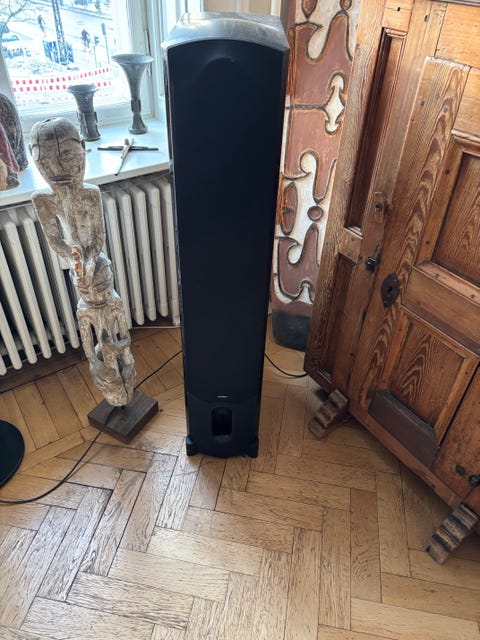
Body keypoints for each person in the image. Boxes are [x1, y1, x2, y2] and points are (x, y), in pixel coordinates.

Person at [29, 117, 135, 406]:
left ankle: (126, 385)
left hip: (97, 266)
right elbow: (55, 240)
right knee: (94, 338)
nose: (58, 169)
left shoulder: (89, 193)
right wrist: (75, 260)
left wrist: (89, 263)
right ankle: (112, 389)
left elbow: (97, 237)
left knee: (117, 333)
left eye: (66, 156)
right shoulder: (42, 199)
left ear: (82, 148)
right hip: (80, 274)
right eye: (45, 161)